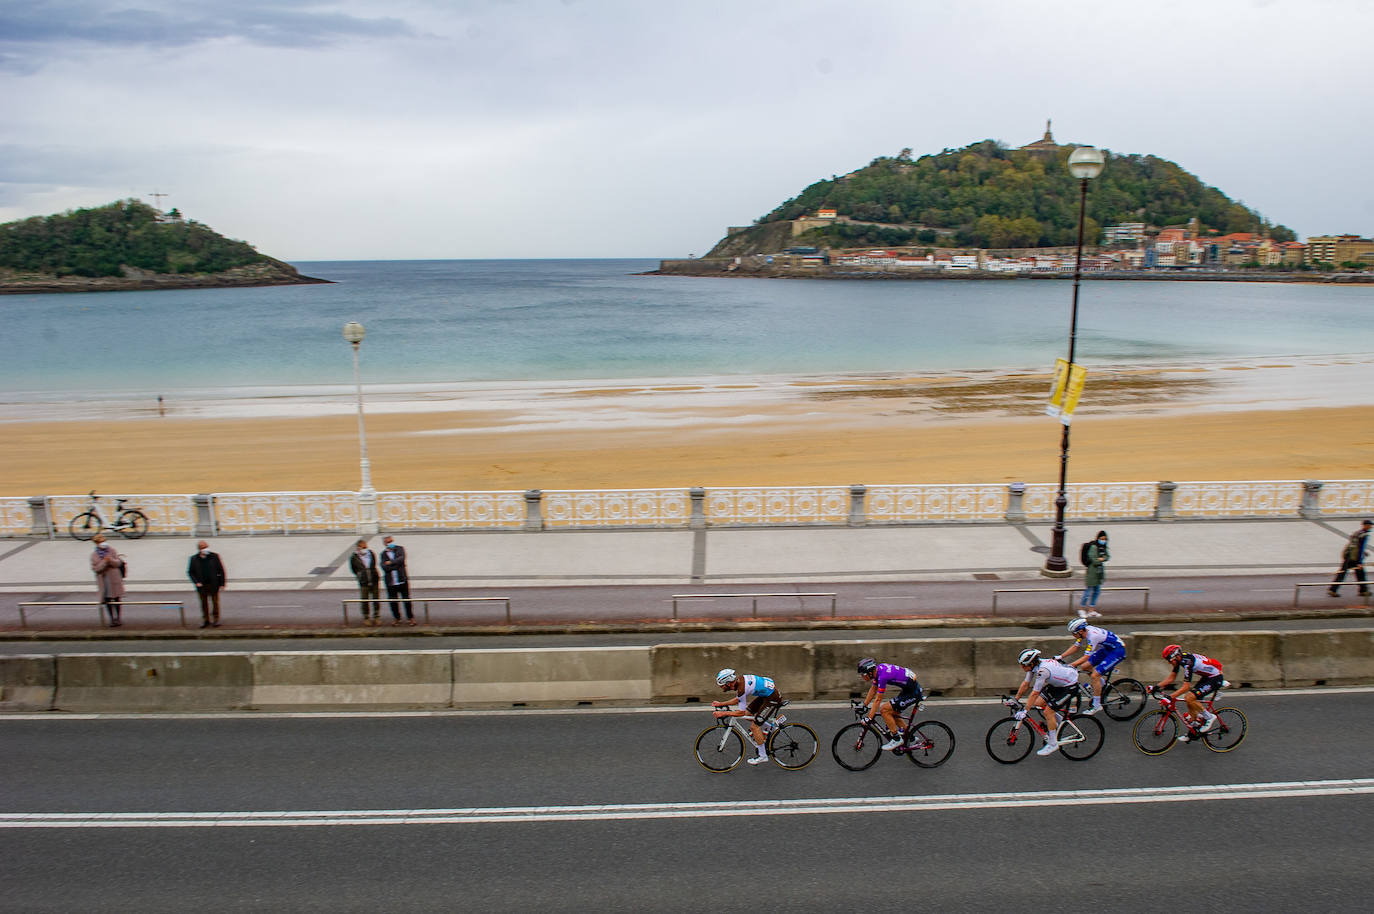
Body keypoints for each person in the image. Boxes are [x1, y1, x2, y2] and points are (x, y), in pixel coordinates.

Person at [1009, 648, 1081, 756]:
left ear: (1032, 663)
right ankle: (1057, 722)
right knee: (1038, 703)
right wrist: (1015, 699)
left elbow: (1034, 693)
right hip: (1058, 685)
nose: (1022, 667)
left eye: (1024, 665)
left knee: (1048, 712)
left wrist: (1024, 711)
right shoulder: (1033, 666)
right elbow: (1025, 684)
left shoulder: (1043, 671)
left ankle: (1053, 744)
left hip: (1069, 686)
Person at [711, 668, 784, 765]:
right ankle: (770, 726)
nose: (721, 688)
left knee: (754, 726)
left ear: (728, 683)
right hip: (766, 695)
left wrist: (723, 713)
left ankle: (763, 756)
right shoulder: (740, 681)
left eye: (722, 686)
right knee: (748, 714)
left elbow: (740, 712)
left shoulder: (741, 689)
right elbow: (738, 700)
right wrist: (720, 704)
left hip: (772, 698)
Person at [1057, 618, 1126, 715]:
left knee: (1095, 675)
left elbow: (1086, 656)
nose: (1073, 635)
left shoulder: (1093, 636)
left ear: (1080, 631)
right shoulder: (1084, 631)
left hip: (1117, 651)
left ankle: (1097, 705)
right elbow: (1076, 646)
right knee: (1085, 667)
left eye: (1073, 633)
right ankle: (1101, 685)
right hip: (1107, 649)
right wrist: (1060, 656)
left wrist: (1071, 665)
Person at [1155, 644, 1223, 741]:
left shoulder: (1187, 662)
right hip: (1207, 677)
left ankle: (1209, 717)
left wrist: (1170, 697)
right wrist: (1156, 687)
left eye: (1169, 660)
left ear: (1176, 656)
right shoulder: (1180, 659)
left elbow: (1186, 686)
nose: (1169, 663)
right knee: (1190, 701)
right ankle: (1194, 730)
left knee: (1189, 697)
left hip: (1215, 678)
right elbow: (1172, 677)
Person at [856, 657, 924, 751]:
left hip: (913, 693)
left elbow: (878, 700)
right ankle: (911, 738)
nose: (862, 677)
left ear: (870, 672)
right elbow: (873, 690)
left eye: (863, 674)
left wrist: (869, 718)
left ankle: (896, 738)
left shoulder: (882, 676)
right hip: (909, 689)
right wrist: (864, 705)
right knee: (894, 713)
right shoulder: (879, 670)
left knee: (884, 710)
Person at [187, 540, 227, 628]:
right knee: (203, 604)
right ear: (199, 549)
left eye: (206, 547)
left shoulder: (214, 556)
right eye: (203, 548)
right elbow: (190, 572)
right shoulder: (194, 559)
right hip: (202, 586)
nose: (206, 549)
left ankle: (216, 620)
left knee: (215, 603)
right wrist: (196, 582)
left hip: (213, 584)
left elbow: (221, 570)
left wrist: (222, 583)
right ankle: (206, 620)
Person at [1328, 518, 1371, 598]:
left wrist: (1363, 552)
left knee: (1344, 573)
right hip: (1354, 558)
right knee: (1359, 574)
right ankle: (1363, 590)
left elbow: (1353, 544)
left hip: (1348, 555)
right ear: (1365, 525)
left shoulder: (1357, 533)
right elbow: (1360, 548)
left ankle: (1333, 590)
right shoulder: (1364, 535)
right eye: (1369, 525)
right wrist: (1359, 562)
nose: (1371, 527)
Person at [90, 533, 125, 627]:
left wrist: (111, 560)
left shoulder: (112, 550)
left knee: (117, 598)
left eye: (104, 541)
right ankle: (112, 618)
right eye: (101, 542)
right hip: (104, 580)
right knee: (107, 599)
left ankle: (118, 618)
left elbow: (118, 563)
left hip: (114, 579)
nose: (103, 543)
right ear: (97, 543)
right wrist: (105, 561)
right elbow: (96, 569)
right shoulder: (94, 555)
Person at [380, 535, 414, 625]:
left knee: (406, 600)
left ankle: (410, 618)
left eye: (391, 541)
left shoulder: (400, 549)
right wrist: (395, 565)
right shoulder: (383, 554)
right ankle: (396, 618)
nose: (390, 543)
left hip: (402, 579)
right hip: (391, 582)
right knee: (393, 601)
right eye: (388, 542)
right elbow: (384, 567)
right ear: (385, 544)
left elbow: (401, 559)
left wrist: (391, 563)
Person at [348, 539, 381, 625]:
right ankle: (366, 617)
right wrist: (360, 575)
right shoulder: (354, 557)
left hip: (374, 580)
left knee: (376, 599)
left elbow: (374, 564)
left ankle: (376, 616)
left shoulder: (371, 553)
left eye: (366, 547)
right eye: (363, 547)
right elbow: (353, 569)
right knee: (365, 600)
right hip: (363, 581)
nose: (365, 549)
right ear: (358, 548)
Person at [1080, 530, 1109, 617]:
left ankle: (1091, 610)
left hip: (1099, 573)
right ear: (1098, 538)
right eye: (1102, 539)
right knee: (1088, 591)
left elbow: (1107, 556)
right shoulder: (1094, 547)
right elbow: (1094, 560)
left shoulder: (1103, 548)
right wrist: (1101, 559)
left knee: (1096, 591)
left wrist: (1101, 559)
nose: (1103, 540)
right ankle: (1082, 609)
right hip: (1092, 572)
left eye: (1105, 539)